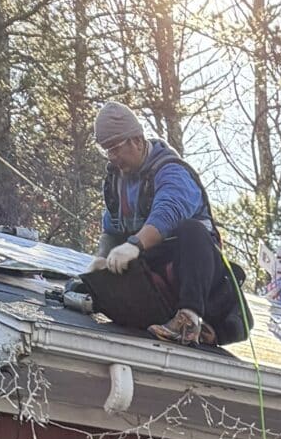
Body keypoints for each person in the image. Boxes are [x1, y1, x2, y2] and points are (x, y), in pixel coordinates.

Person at [84, 103, 247, 349]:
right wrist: (102, 258)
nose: (113, 158)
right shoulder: (117, 182)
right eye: (106, 150)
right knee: (96, 283)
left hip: (198, 278)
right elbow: (112, 227)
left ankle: (189, 320)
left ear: (137, 141)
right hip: (155, 282)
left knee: (192, 231)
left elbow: (167, 214)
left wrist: (135, 245)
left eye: (116, 149)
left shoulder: (172, 172)